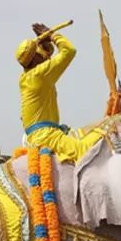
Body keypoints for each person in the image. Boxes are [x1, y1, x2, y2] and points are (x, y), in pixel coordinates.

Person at [17, 23, 102, 164]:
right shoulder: (39, 74)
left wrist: (46, 43)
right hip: (46, 136)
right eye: (39, 52)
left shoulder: (27, 76)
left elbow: (47, 58)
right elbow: (69, 51)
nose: (43, 54)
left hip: (43, 133)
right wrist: (52, 35)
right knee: (86, 149)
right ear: (34, 59)